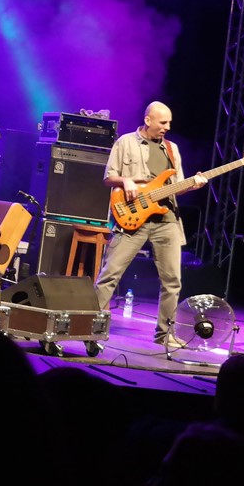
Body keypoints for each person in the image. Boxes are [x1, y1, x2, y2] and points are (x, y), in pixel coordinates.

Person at [91, 101, 206, 349]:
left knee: (172, 281)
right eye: (163, 122)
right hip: (132, 218)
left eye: (169, 123)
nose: (167, 127)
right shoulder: (125, 142)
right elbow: (108, 177)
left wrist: (193, 184)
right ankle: (90, 326)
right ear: (148, 120)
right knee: (110, 274)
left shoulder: (172, 149)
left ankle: (164, 334)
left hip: (167, 220)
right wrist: (126, 181)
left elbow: (177, 186)